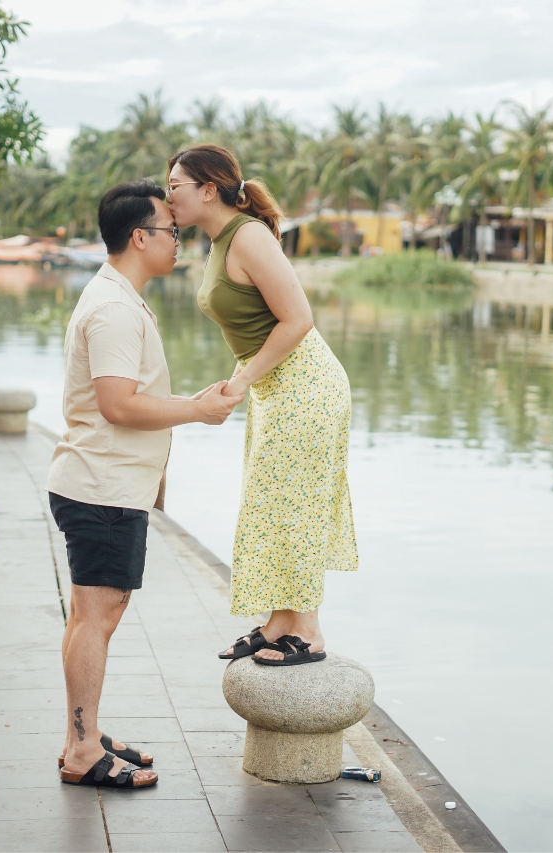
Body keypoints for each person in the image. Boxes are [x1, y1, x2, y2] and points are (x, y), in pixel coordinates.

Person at [48, 179, 243, 788]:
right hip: (101, 486)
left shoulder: (118, 297)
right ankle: (83, 750)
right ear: (140, 236)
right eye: (172, 230)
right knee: (97, 618)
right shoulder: (111, 308)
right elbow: (118, 405)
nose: (179, 241)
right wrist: (197, 409)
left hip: (103, 483)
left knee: (90, 614)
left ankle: (82, 733)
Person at [165, 144, 358, 667]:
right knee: (272, 504)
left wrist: (244, 378)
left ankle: (309, 631)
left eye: (174, 186)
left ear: (208, 189)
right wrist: (239, 381)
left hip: (305, 383)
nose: (168, 197)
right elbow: (253, 329)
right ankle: (278, 624)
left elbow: (298, 319)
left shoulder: (247, 236)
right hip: (276, 386)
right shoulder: (218, 241)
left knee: (294, 505)